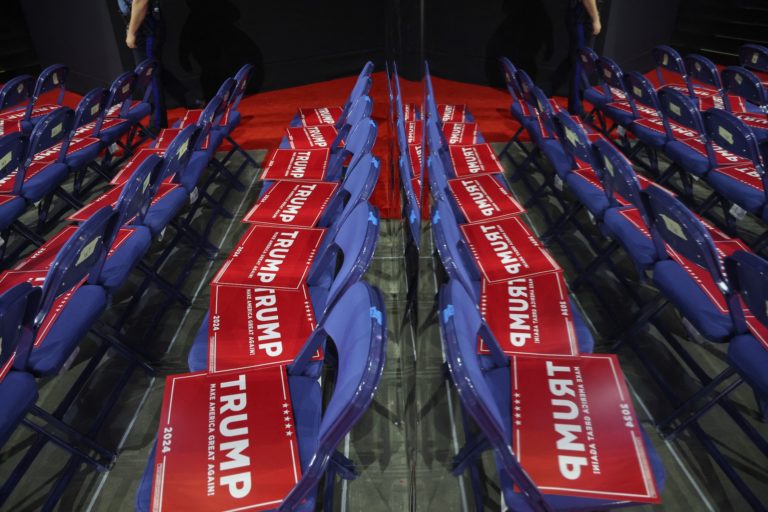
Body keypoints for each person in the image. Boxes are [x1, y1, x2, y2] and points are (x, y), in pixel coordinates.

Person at [118, 0, 168, 131]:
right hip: (143, 23)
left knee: (150, 75)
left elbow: (140, 2)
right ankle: (185, 96)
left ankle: (157, 124)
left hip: (145, 26)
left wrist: (131, 32)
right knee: (152, 72)